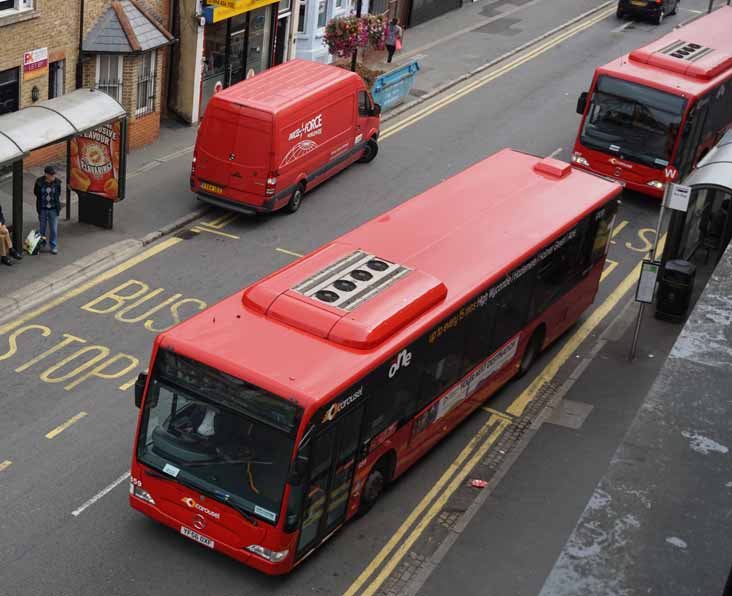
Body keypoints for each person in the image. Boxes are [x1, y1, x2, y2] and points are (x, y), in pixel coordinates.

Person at [34, 165, 62, 254]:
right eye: (51, 175)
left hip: (53, 209)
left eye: (54, 175)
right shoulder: (39, 182)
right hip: (43, 209)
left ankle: (53, 246)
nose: (53, 176)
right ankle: (41, 244)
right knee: (42, 228)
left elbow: (58, 194)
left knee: (53, 229)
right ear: (46, 175)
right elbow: (36, 193)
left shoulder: (57, 183)